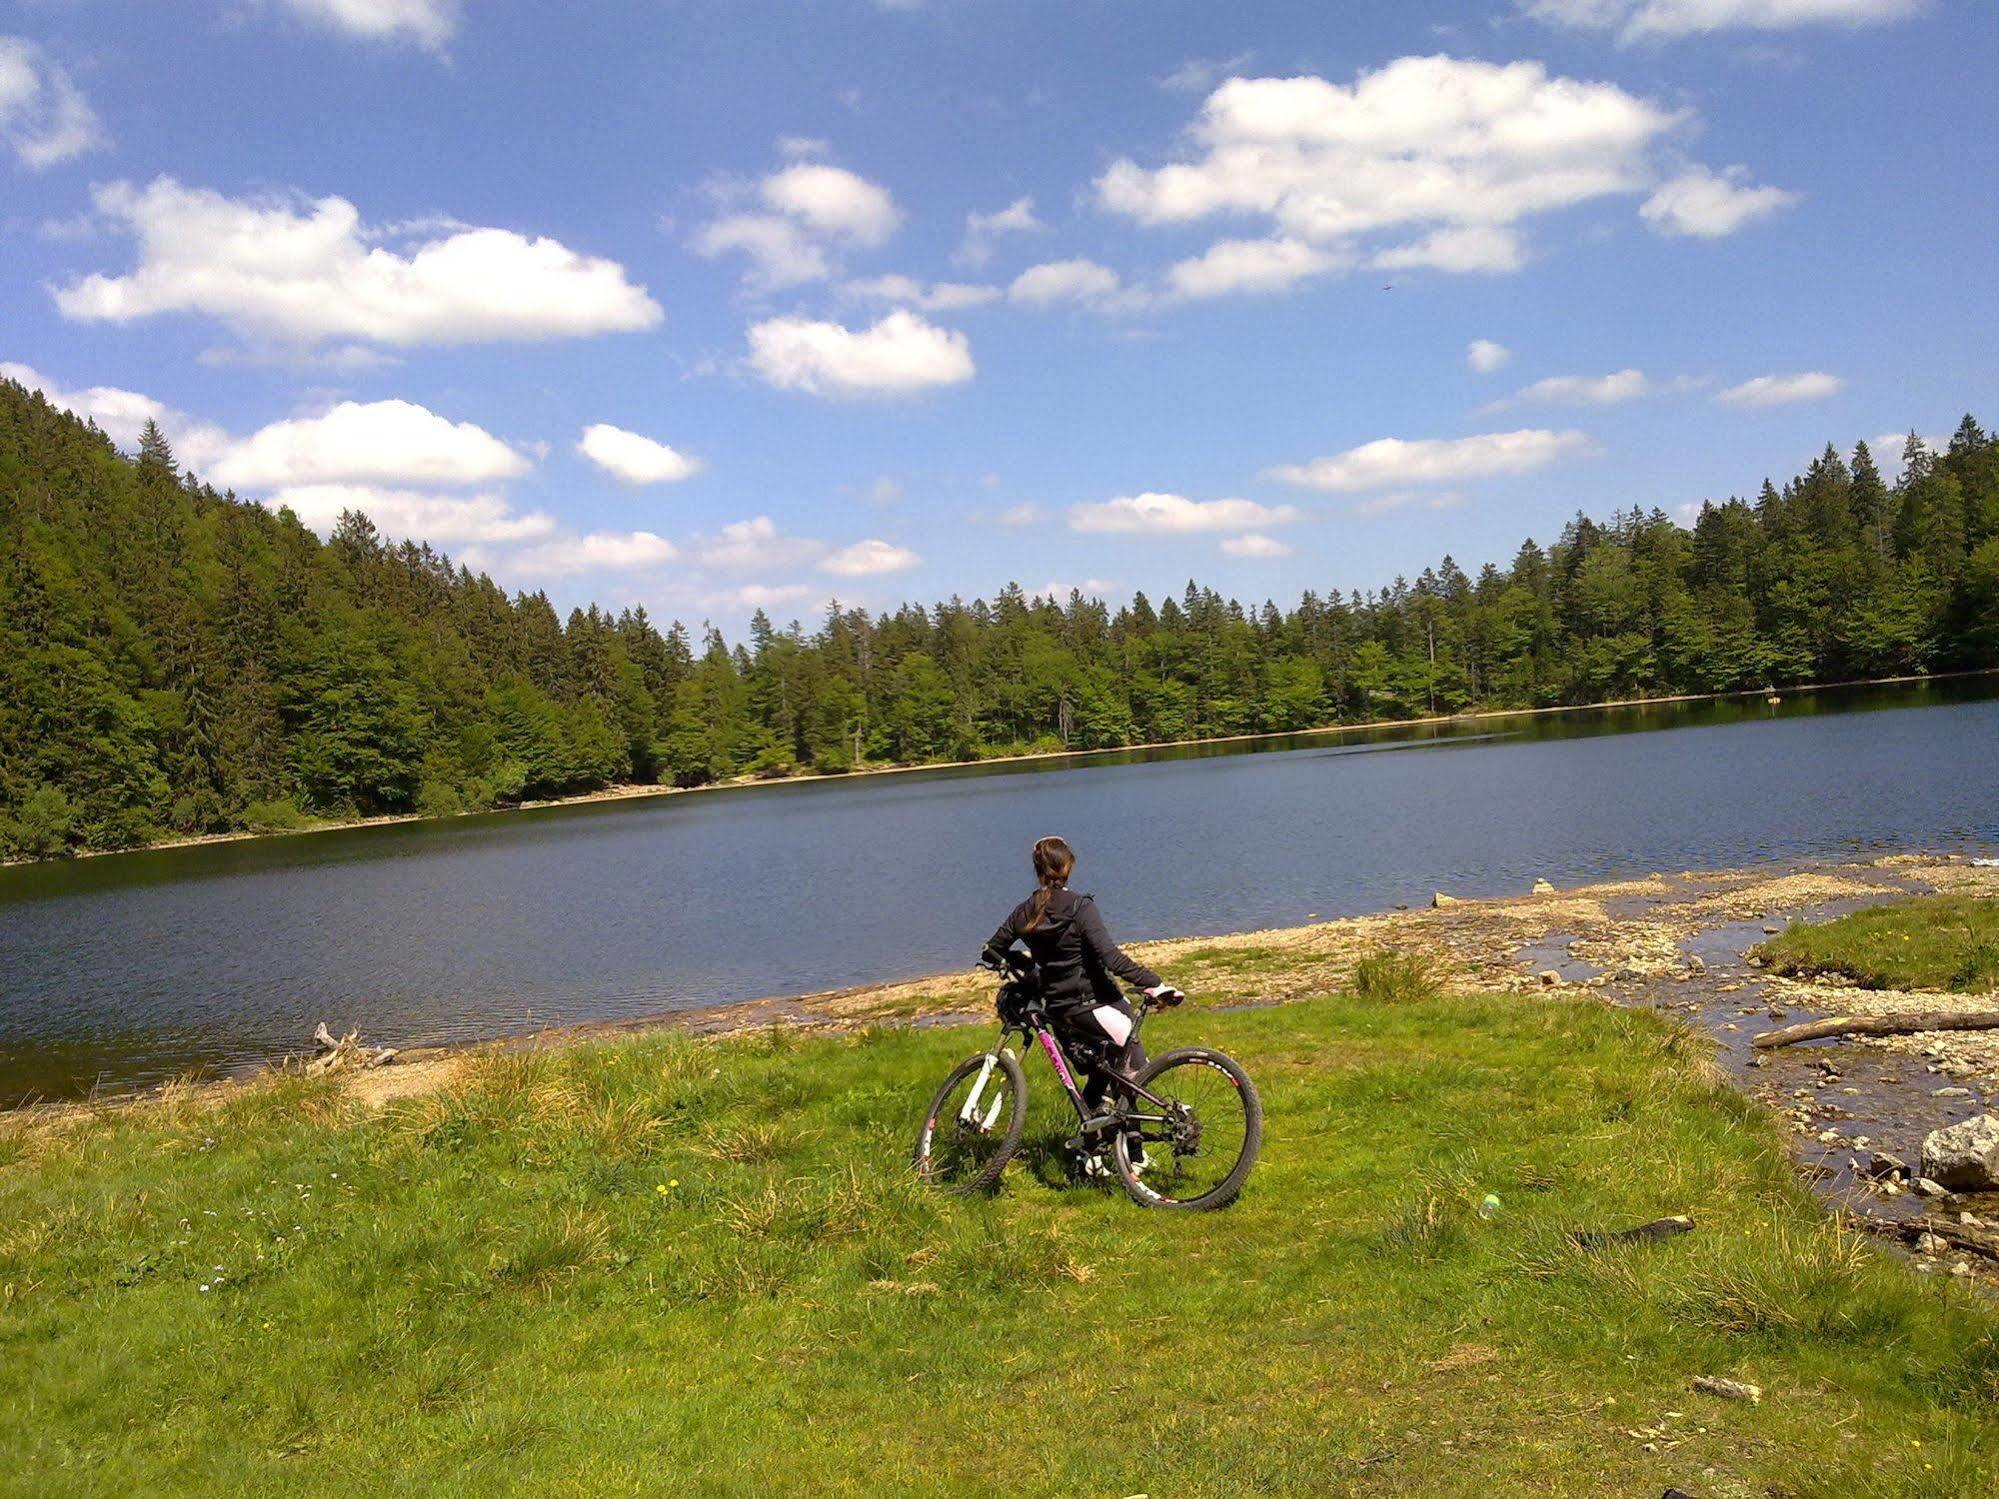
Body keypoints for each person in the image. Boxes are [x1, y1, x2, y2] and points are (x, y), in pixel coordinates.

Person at [981, 835, 1183, 1172]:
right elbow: (1111, 957)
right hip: (1095, 1003)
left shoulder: (1024, 912)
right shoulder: (1079, 907)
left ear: (1038, 870)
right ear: (1067, 869)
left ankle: (1089, 1147)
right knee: (1133, 1069)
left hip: (1059, 1011)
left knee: (1103, 1069)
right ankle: (1132, 1155)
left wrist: (1026, 965)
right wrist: (1155, 983)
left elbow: (992, 950)